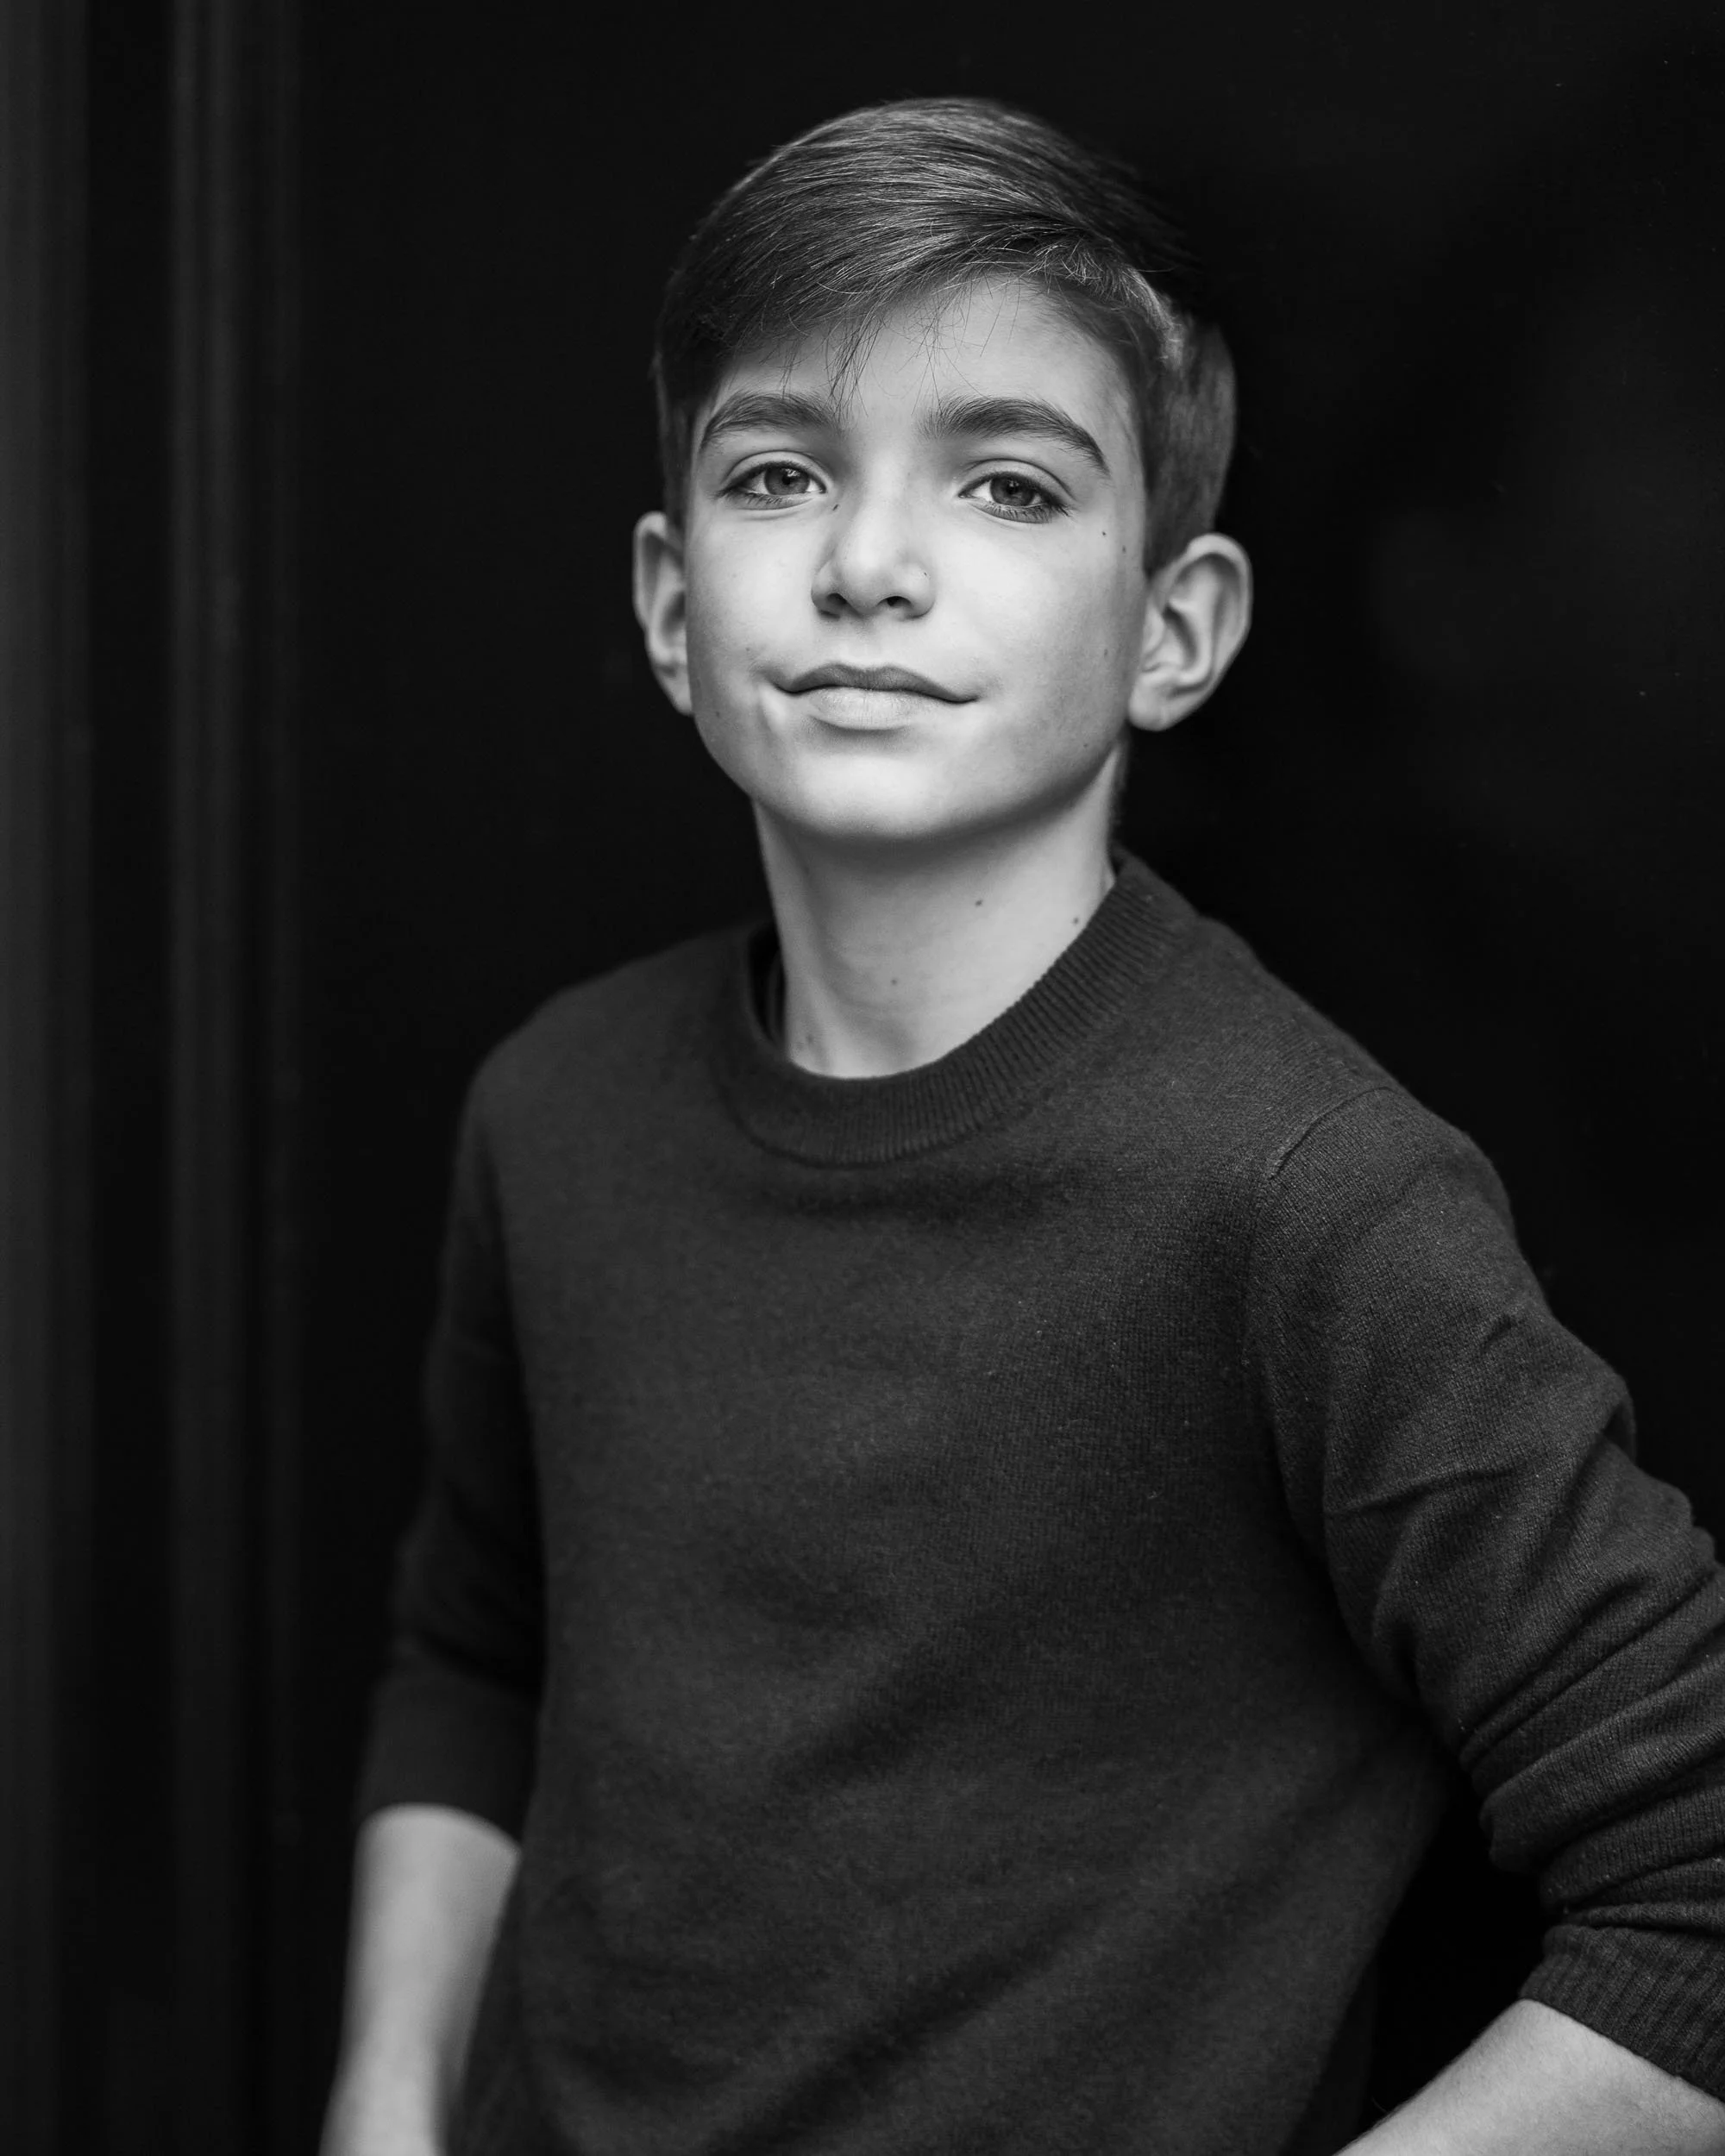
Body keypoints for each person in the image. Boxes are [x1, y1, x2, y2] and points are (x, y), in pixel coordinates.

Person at [320, 97, 1725, 2156]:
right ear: (665, 600)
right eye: (782, 470)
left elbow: (1696, 1897)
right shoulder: (554, 1105)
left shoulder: (1305, 1195)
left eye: (1003, 481)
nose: (870, 564)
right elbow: (473, 1651)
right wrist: (381, 2102)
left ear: (1179, 630)